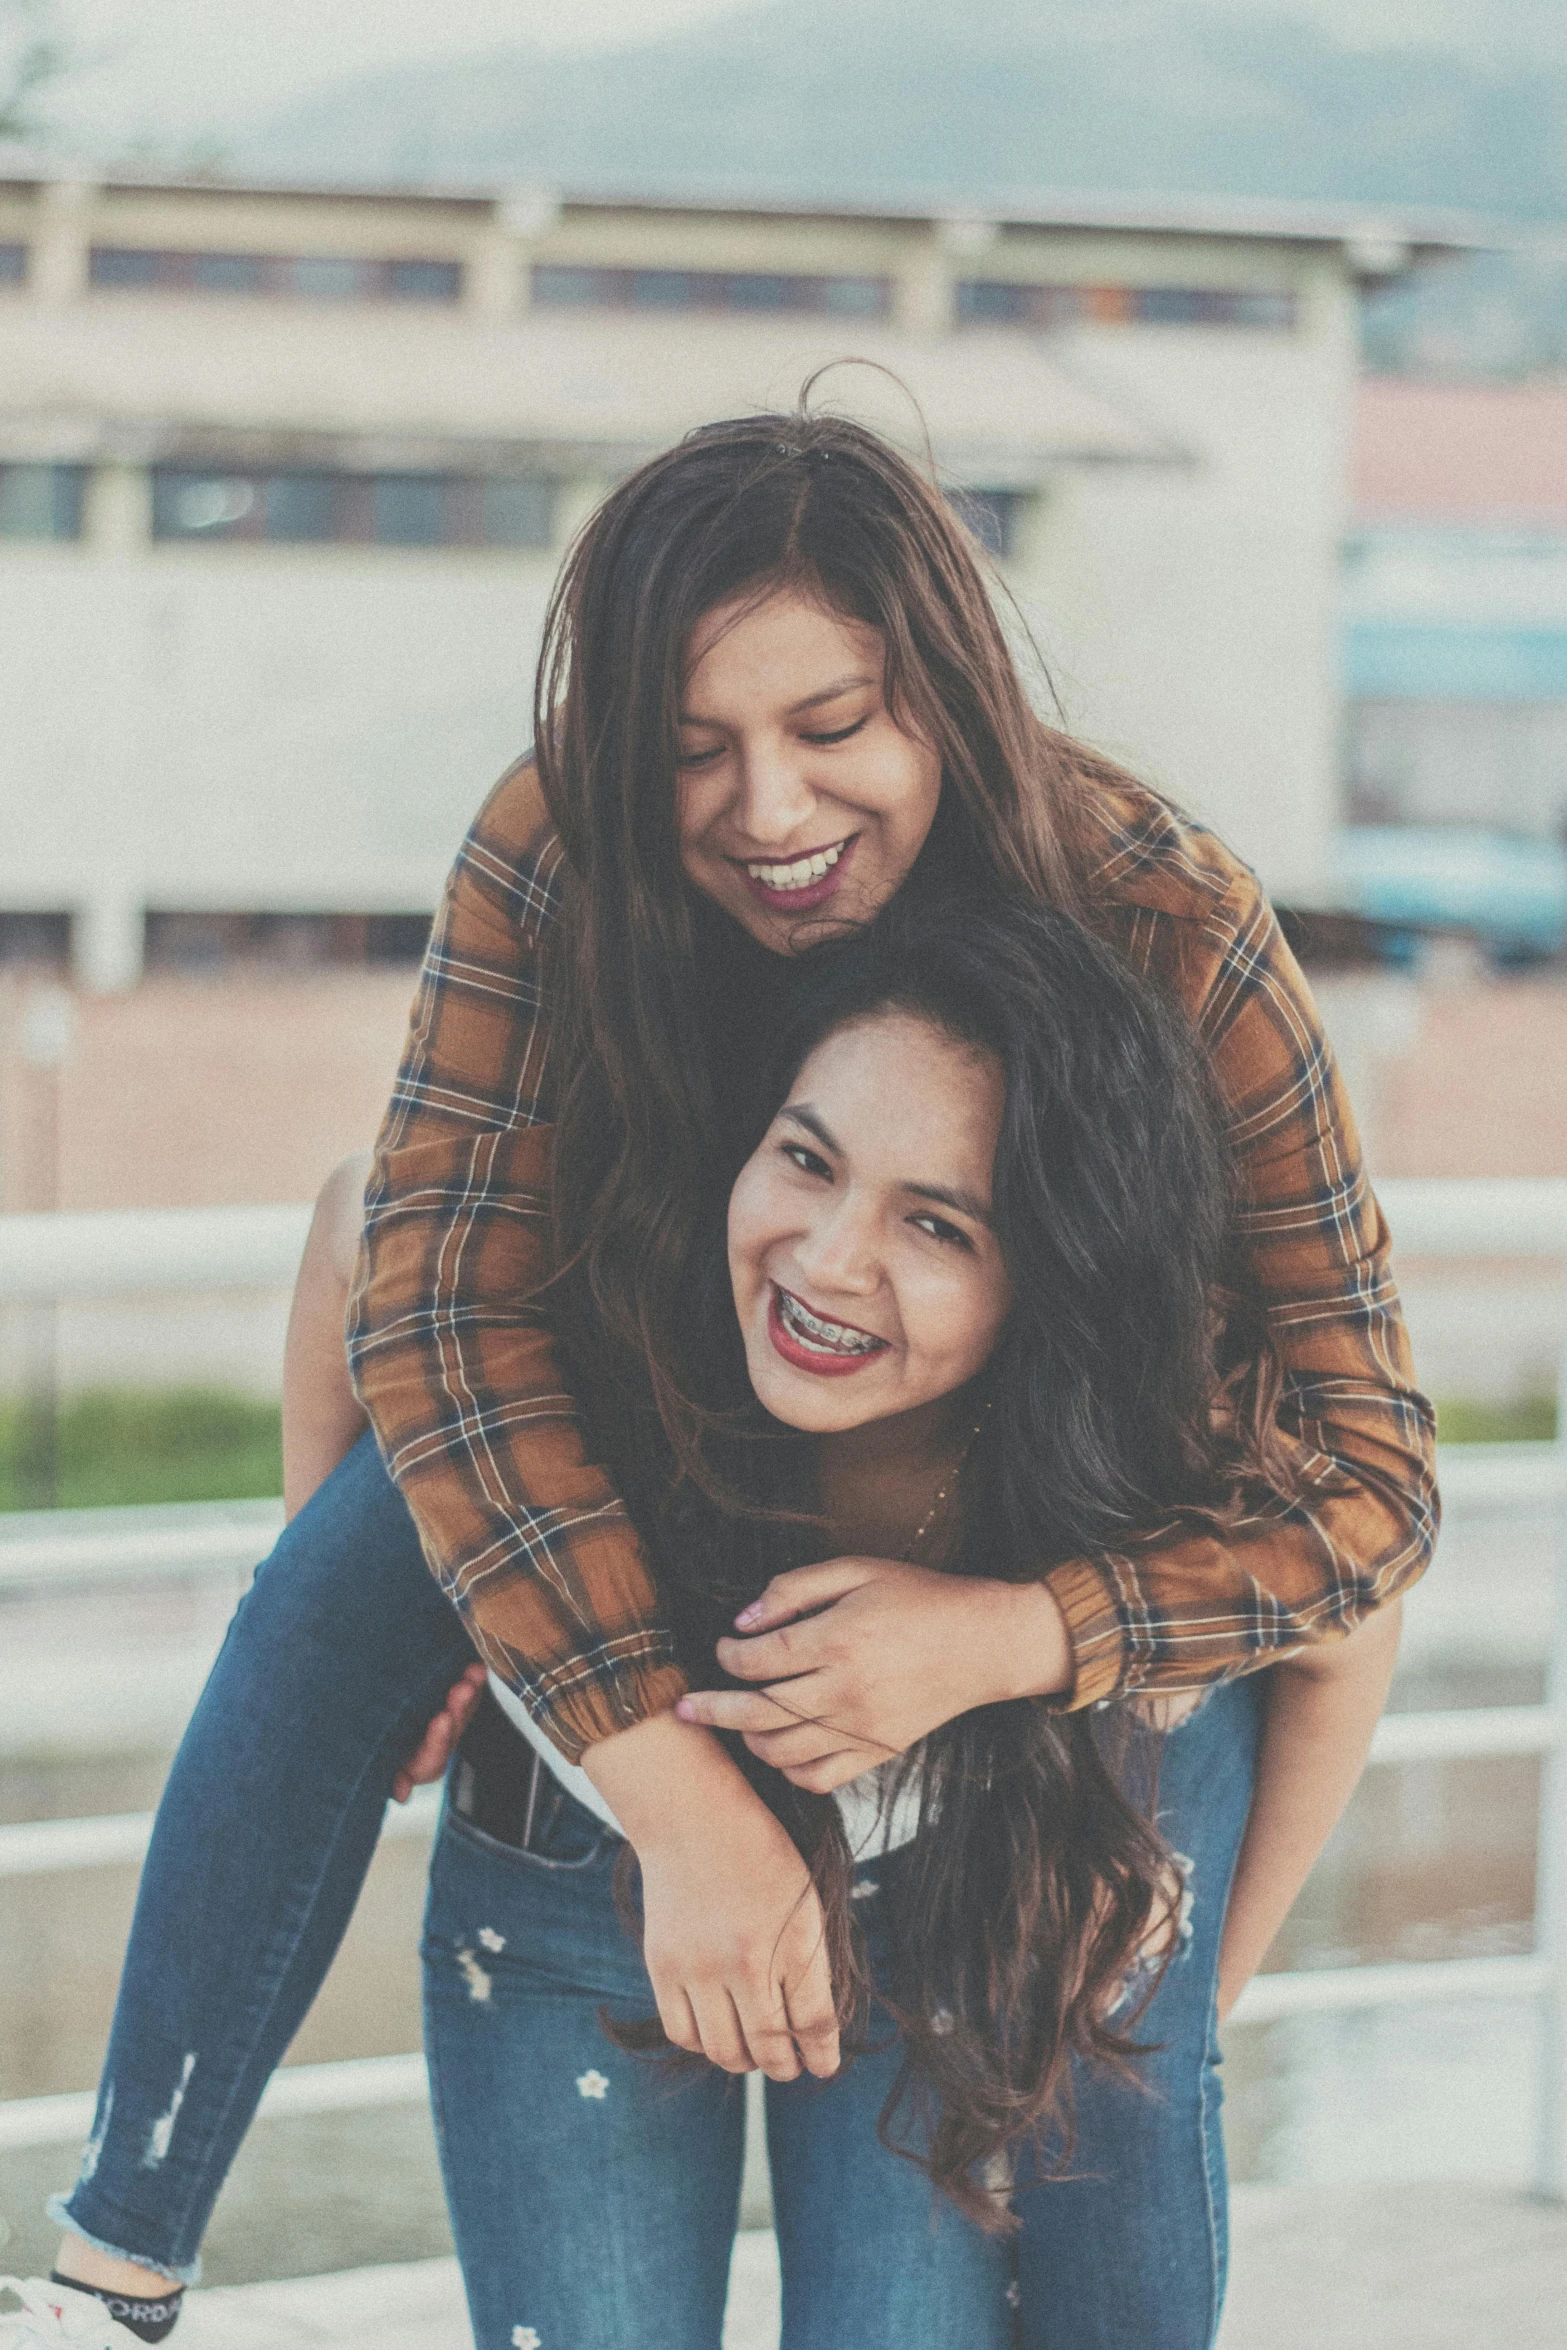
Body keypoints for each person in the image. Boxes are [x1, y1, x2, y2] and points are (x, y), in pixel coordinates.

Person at [6, 405, 1435, 2348]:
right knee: (371, 1541)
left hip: (995, 1751)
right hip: (643, 1634)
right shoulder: (564, 846)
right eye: (693, 747)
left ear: (951, 685)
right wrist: (657, 1782)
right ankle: (112, 2273)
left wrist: (1011, 1636)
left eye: (831, 724)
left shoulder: (1163, 925)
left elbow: (1366, 1481)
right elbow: (412, 1290)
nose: (764, 808)